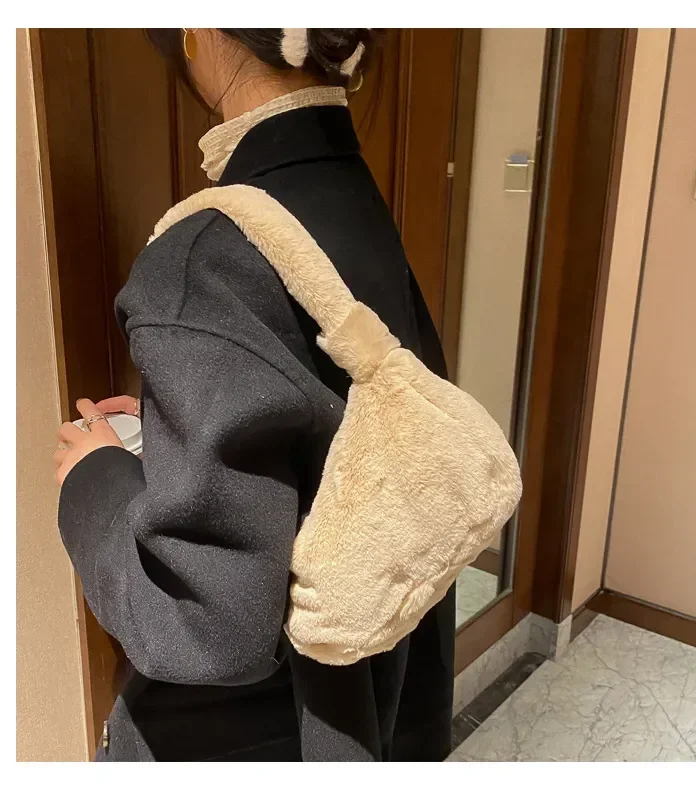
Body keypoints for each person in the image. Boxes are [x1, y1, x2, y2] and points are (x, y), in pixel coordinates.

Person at [54, 28, 455, 762]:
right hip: (369, 709)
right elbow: (320, 425)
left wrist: (92, 477)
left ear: (198, 31)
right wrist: (178, 422)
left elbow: (206, 629)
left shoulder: (204, 260)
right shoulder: (348, 191)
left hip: (255, 739)